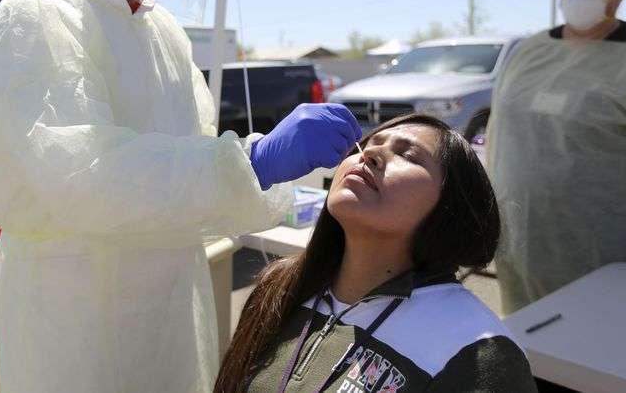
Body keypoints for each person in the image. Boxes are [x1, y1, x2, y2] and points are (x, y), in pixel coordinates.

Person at [0, 0, 361, 393]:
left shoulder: (163, 34)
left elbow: (189, 161)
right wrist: (251, 162)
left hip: (170, 299)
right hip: (73, 305)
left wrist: (263, 174)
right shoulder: (38, 16)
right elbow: (81, 175)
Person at [216, 114, 539, 393]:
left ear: (451, 208)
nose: (370, 153)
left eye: (408, 155)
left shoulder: (478, 351)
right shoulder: (280, 285)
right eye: (368, 144)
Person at [487, 0, 626, 314]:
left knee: (603, 332)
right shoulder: (530, 50)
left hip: (609, 236)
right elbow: (501, 132)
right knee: (528, 329)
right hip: (522, 230)